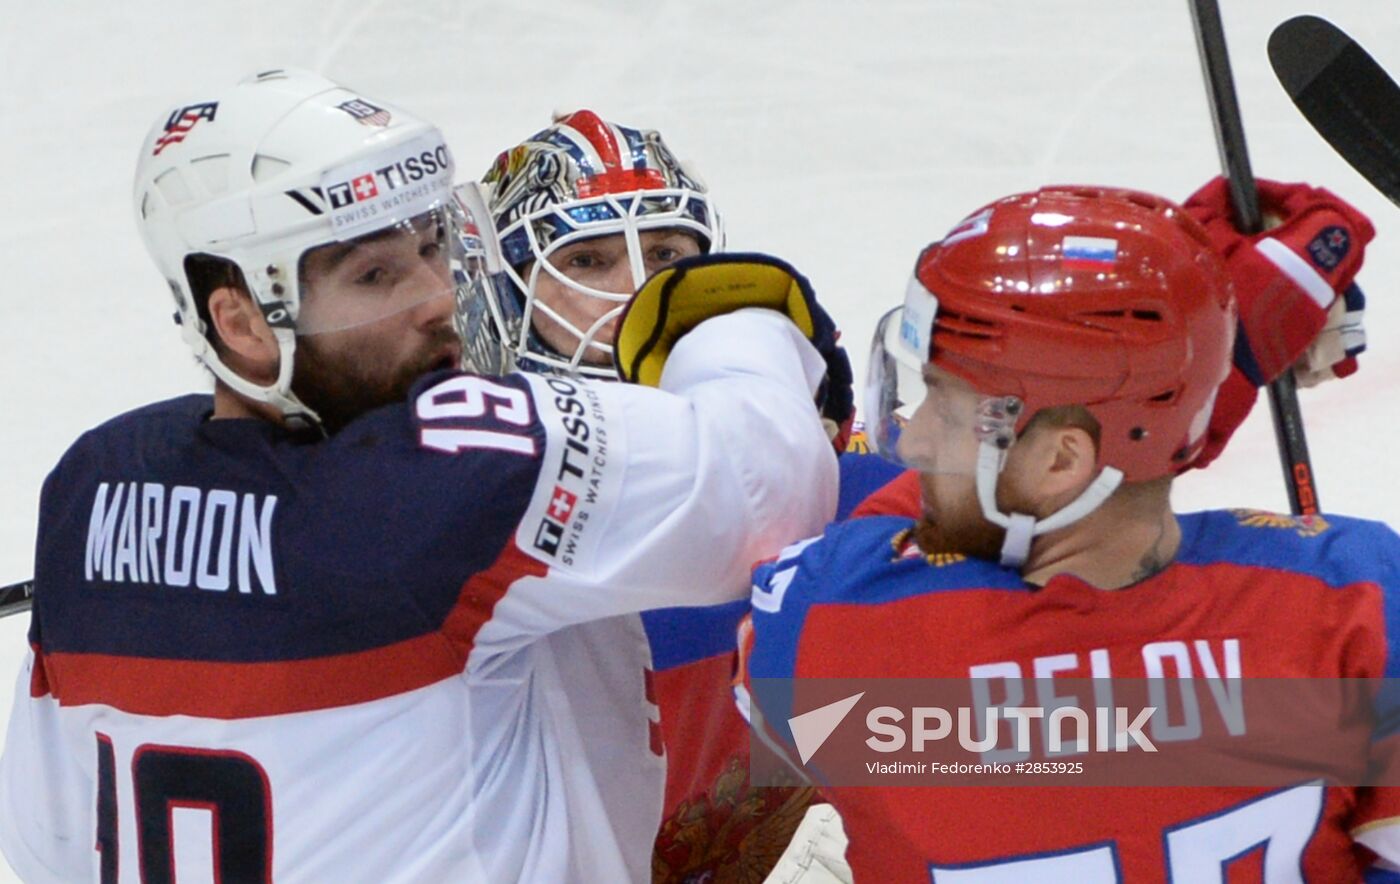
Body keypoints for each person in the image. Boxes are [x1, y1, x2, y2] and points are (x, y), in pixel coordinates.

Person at [0, 70, 841, 883]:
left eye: (434, 247)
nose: (438, 296)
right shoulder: (466, 480)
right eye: (375, 274)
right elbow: (772, 481)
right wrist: (733, 324)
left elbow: (50, 844)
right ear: (241, 319)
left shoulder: (95, 489)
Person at [738, 183, 1398, 881]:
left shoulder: (833, 626)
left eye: (944, 402)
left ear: (1060, 461)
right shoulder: (1351, 602)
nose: (919, 440)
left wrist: (1227, 358)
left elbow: (881, 554)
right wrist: (1195, 367)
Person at [462, 109, 865, 883]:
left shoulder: (833, 461)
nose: (642, 288)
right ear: (502, 297)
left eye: (668, 252)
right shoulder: (461, 506)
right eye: (587, 259)